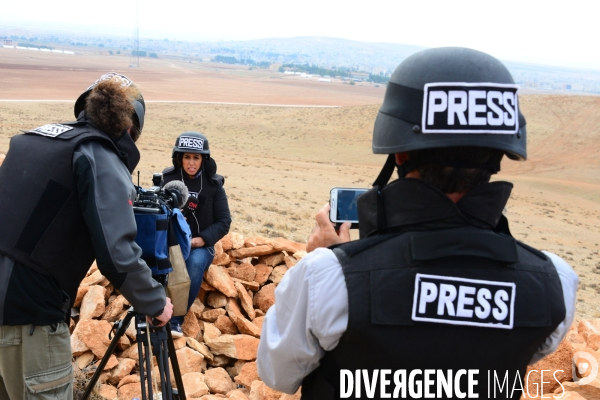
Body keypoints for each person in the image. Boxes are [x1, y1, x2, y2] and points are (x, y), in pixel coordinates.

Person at [257, 48, 579, 399]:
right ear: (500, 153)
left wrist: (336, 263)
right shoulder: (555, 284)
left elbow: (278, 374)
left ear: (400, 153)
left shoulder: (329, 278)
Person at [0, 72, 173, 400]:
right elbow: (117, 254)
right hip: (29, 314)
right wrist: (153, 302)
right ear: (129, 126)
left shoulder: (36, 140)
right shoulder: (98, 154)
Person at [162, 131, 232, 337]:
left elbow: (224, 221)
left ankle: (175, 320)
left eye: (196, 157)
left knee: (191, 265)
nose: (191, 162)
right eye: (187, 157)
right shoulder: (168, 179)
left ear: (204, 159)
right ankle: (151, 310)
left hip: (200, 244)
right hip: (171, 240)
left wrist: (202, 240)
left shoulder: (214, 185)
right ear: (179, 158)